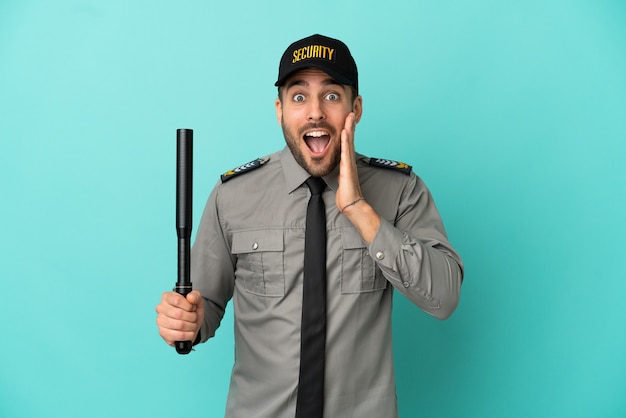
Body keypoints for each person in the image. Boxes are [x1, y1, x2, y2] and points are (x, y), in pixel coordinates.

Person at [155, 34, 464, 418]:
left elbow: (444, 297)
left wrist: (359, 210)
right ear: (280, 110)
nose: (315, 112)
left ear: (356, 108)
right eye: (299, 97)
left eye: (332, 95)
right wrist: (188, 321)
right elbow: (206, 303)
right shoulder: (232, 195)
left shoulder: (400, 191)